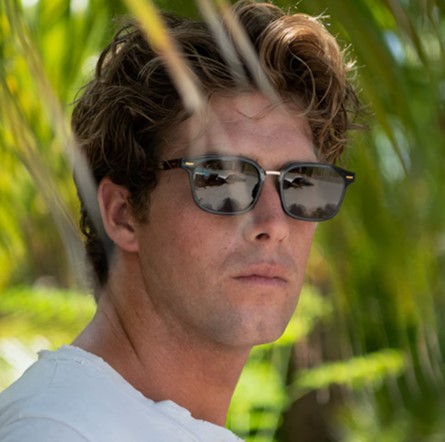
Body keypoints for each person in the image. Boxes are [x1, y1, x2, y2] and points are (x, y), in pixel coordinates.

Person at [0, 1, 361, 440]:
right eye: (222, 180)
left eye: (301, 183)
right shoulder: (58, 429)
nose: (275, 223)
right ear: (123, 214)